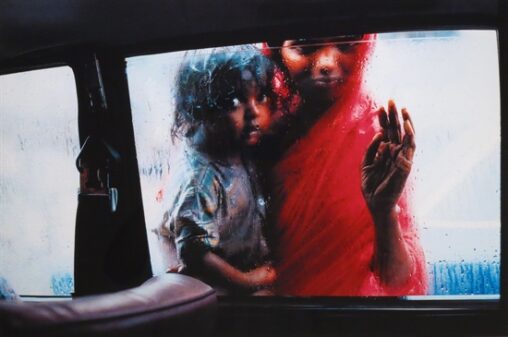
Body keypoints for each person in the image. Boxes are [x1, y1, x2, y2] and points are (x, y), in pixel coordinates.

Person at [263, 35, 427, 295]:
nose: (327, 62)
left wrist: (384, 212)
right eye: (305, 47)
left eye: (346, 45)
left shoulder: (375, 137)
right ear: (275, 53)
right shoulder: (256, 124)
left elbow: (397, 281)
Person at [157, 48, 277, 295]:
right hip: (219, 286)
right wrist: (248, 281)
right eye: (234, 102)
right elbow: (195, 254)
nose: (254, 112)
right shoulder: (201, 178)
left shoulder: (232, 146)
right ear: (202, 110)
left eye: (261, 96)